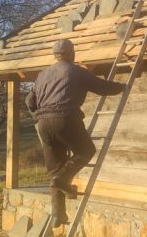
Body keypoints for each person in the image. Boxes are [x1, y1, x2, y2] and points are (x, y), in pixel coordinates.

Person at [25, 39, 125, 227]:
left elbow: (30, 101)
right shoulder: (76, 71)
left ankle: (58, 214)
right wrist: (121, 87)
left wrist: (38, 115)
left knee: (55, 168)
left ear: (55, 55)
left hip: (42, 124)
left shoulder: (42, 75)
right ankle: (62, 180)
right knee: (86, 151)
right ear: (72, 54)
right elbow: (102, 88)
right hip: (64, 118)